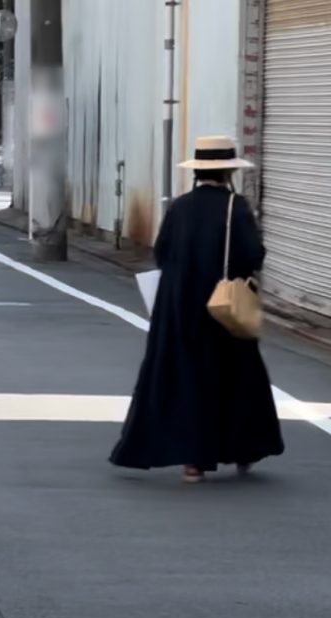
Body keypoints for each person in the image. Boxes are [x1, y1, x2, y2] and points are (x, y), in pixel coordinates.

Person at [110, 136, 284, 483]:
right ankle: (243, 450)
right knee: (236, 379)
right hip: (223, 308)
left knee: (182, 380)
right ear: (227, 172)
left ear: (198, 171)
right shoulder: (236, 206)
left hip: (176, 309)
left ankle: (192, 462)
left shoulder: (179, 207)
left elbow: (161, 253)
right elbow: (253, 255)